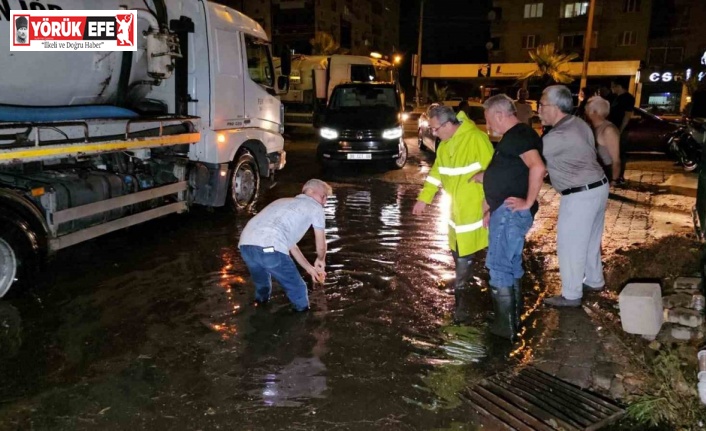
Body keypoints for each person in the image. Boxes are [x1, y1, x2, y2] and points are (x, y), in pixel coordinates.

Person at [471, 94, 545, 339]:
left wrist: (528, 202)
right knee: (510, 265)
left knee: (498, 266)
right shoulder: (515, 138)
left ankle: (504, 330)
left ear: (500, 114)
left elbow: (537, 167)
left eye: (489, 119)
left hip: (510, 213)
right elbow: (512, 172)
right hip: (504, 212)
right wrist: (486, 180)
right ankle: (512, 321)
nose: (489, 125)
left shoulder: (519, 136)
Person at [412, 104, 494, 323]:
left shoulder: (477, 139)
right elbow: (436, 173)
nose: (434, 133)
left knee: (469, 251)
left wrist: (490, 206)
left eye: (435, 128)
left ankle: (464, 299)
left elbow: (494, 174)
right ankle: (466, 287)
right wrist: (423, 198)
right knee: (458, 248)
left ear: (448, 124)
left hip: (475, 208)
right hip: (456, 209)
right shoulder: (444, 145)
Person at [538, 85, 609, 307]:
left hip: (579, 195)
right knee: (589, 241)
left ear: (556, 107)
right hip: (598, 187)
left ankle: (571, 294)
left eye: (542, 105)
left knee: (570, 245)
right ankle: (595, 280)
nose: (538, 110)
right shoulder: (578, 123)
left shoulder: (559, 135)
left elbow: (529, 158)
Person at [238, 179, 330, 312]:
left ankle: (259, 310)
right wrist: (321, 259)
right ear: (309, 191)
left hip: (246, 246)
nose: (324, 202)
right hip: (270, 248)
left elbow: (291, 245)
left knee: (262, 286)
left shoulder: (281, 202)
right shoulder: (315, 207)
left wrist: (310, 268)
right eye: (323, 196)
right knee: (298, 289)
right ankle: (301, 324)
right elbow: (321, 245)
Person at [586, 96, 621, 184]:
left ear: (594, 112)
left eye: (587, 110)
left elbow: (615, 159)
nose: (585, 112)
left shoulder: (608, 130)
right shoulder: (591, 127)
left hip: (604, 174)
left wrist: (614, 180)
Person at [608, 78, 635, 183]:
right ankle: (614, 175)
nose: (611, 89)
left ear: (619, 86)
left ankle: (619, 177)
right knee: (612, 153)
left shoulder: (628, 98)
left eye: (613, 86)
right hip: (613, 129)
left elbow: (627, 115)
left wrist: (620, 130)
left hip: (620, 130)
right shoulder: (615, 98)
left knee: (619, 153)